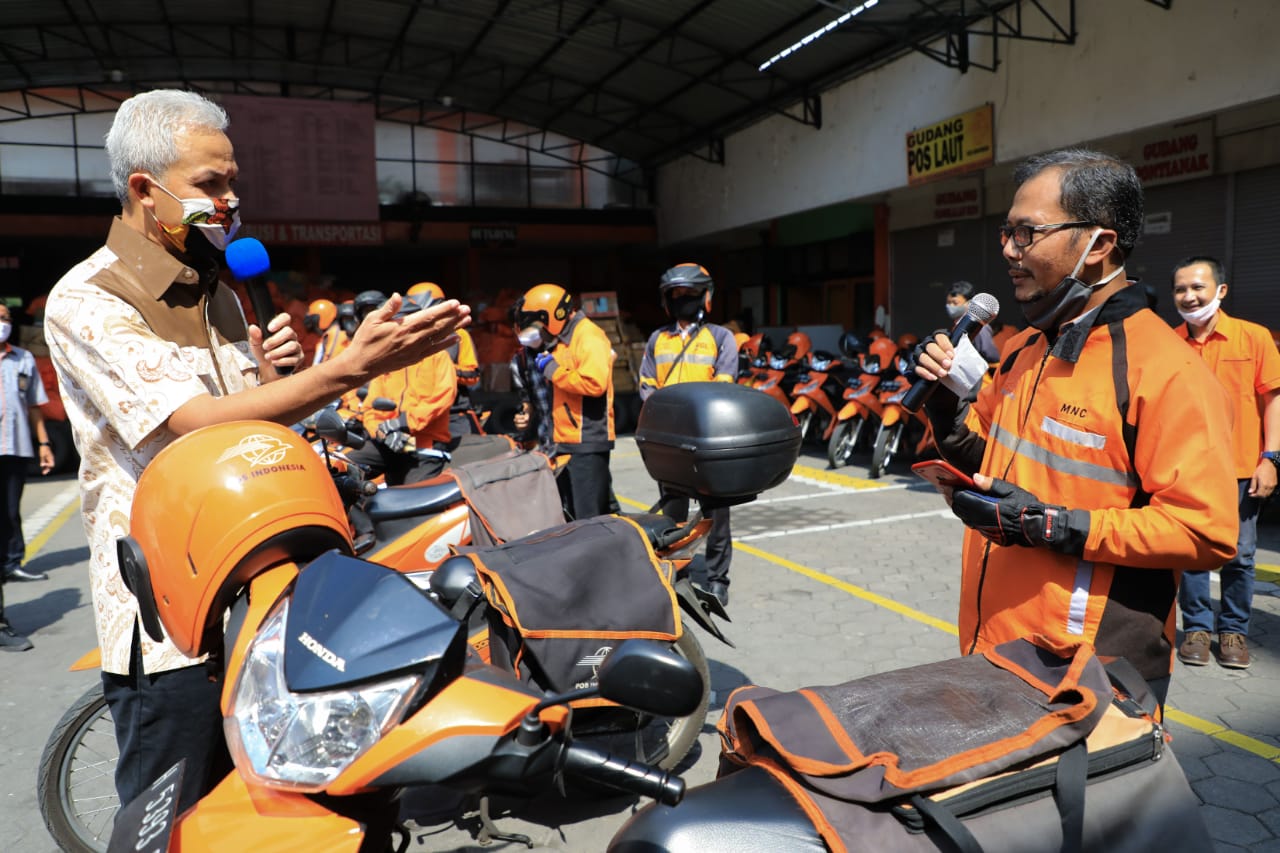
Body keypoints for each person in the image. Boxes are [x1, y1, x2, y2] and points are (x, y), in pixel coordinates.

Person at [43, 88, 468, 813]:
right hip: (172, 622)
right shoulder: (89, 299)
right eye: (211, 183)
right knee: (174, 814)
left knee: (284, 807)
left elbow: (251, 429)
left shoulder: (223, 292)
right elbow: (196, 423)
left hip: (267, 596)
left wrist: (282, 379)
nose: (231, 199)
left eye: (233, 180)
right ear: (146, 190)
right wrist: (345, 369)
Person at [912, 148, 1237, 707]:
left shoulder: (1165, 369)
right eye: (1006, 233)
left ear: (1099, 245)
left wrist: (1048, 524)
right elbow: (988, 462)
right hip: (996, 648)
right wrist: (944, 411)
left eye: (1027, 232)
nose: (1010, 251)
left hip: (1091, 676)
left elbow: (1206, 532)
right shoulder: (1023, 349)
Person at [1171, 256, 1280, 670]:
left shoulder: (1253, 338)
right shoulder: (1169, 341)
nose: (1189, 296)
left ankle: (1233, 630)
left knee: (1242, 554)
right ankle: (1197, 627)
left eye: (1198, 287)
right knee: (1193, 552)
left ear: (1221, 290)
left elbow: (1274, 400)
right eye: (1181, 289)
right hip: (1189, 469)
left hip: (1239, 468)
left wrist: (1271, 458)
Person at [638, 263, 739, 606]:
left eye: (690, 294)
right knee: (672, 514)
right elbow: (647, 385)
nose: (683, 301)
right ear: (667, 301)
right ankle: (674, 572)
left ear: (706, 297)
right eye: (676, 296)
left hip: (708, 442)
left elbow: (724, 386)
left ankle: (717, 579)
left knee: (717, 514)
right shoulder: (657, 340)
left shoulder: (721, 338)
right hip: (670, 443)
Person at [511, 283, 615, 521]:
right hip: (567, 440)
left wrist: (553, 370)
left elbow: (594, 384)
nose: (540, 330)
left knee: (589, 519)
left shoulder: (588, 336)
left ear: (553, 315)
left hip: (586, 438)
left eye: (539, 322)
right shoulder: (564, 339)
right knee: (572, 514)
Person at [0, 304, 55, 651]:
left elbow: (35, 405)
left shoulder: (22, 359)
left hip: (14, 447)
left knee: (8, 515)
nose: (1, 324)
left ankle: (10, 563)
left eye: (5, 318)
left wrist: (44, 443)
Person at [408, 282, 482, 437]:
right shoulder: (407, 338)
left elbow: (473, 375)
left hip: (454, 413)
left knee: (465, 456)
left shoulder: (459, 334)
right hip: (414, 414)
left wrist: (443, 368)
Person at [945, 280, 1001, 362]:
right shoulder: (957, 326)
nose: (951, 306)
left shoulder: (979, 327)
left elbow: (992, 357)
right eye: (948, 303)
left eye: (955, 303)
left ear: (969, 303)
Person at [303, 297, 347, 366]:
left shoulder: (333, 333)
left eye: (314, 324)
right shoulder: (335, 332)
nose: (315, 330)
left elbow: (329, 361)